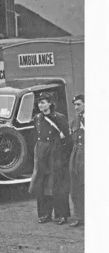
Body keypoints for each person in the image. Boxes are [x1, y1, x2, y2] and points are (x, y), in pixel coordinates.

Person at [29, 92, 71, 224]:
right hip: (42, 152)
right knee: (42, 182)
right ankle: (45, 213)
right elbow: (36, 136)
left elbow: (68, 138)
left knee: (58, 183)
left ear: (50, 103)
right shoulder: (37, 118)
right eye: (39, 102)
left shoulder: (59, 117)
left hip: (56, 152)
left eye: (43, 102)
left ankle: (61, 214)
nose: (40, 105)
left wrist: (65, 156)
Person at [69, 94, 85, 227]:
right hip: (76, 156)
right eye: (75, 105)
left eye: (79, 104)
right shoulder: (75, 121)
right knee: (75, 188)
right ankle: (79, 216)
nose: (76, 107)